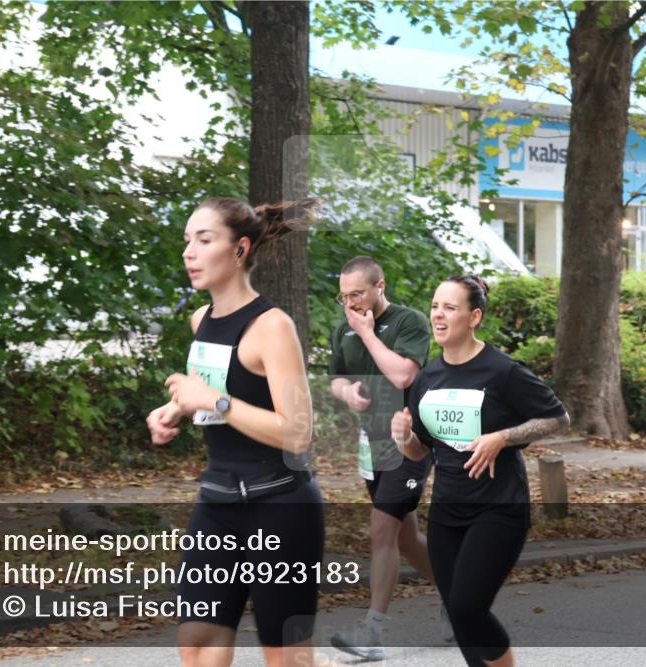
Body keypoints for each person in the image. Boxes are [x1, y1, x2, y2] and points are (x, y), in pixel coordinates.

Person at [146, 196, 333, 667]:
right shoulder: (201, 320)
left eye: (203, 240)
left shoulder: (272, 327)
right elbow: (215, 391)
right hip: (218, 503)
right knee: (197, 644)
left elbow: (298, 432)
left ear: (239, 249)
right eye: (187, 240)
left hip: (280, 508)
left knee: (286, 657)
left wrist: (213, 402)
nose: (189, 252)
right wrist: (174, 409)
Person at [390, 275, 570, 667]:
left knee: (468, 608)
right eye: (435, 306)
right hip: (447, 511)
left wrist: (502, 437)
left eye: (449, 308)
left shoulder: (503, 371)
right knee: (459, 616)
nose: (438, 315)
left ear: (474, 317)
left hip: (498, 509)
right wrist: (404, 438)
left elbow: (558, 418)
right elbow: (421, 449)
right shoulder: (427, 379)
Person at [327, 256, 441, 661]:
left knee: (381, 530)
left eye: (357, 293)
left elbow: (403, 375)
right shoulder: (343, 327)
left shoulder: (409, 322)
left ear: (380, 287)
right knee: (404, 538)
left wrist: (366, 332)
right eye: (344, 296)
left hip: (409, 440)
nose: (350, 303)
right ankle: (461, 599)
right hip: (371, 442)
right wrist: (346, 392)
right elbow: (336, 377)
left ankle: (371, 633)